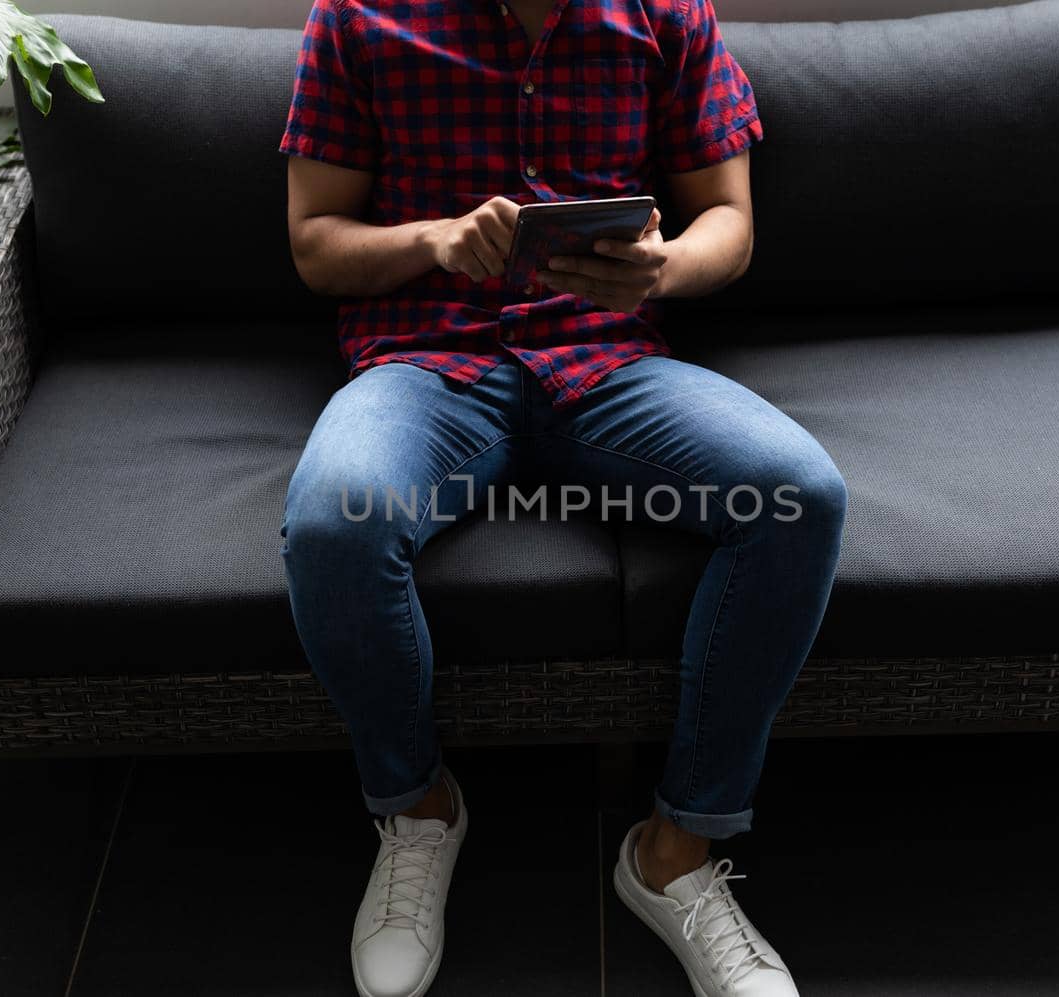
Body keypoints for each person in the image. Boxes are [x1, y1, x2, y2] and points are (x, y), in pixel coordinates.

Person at [279, 2, 846, 995]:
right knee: (335, 522)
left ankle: (673, 852)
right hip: (426, 364)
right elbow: (316, 246)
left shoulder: (665, 14)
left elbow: (730, 224)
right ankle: (417, 812)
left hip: (605, 363)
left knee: (798, 495)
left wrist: (665, 266)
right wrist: (439, 239)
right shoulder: (356, 15)